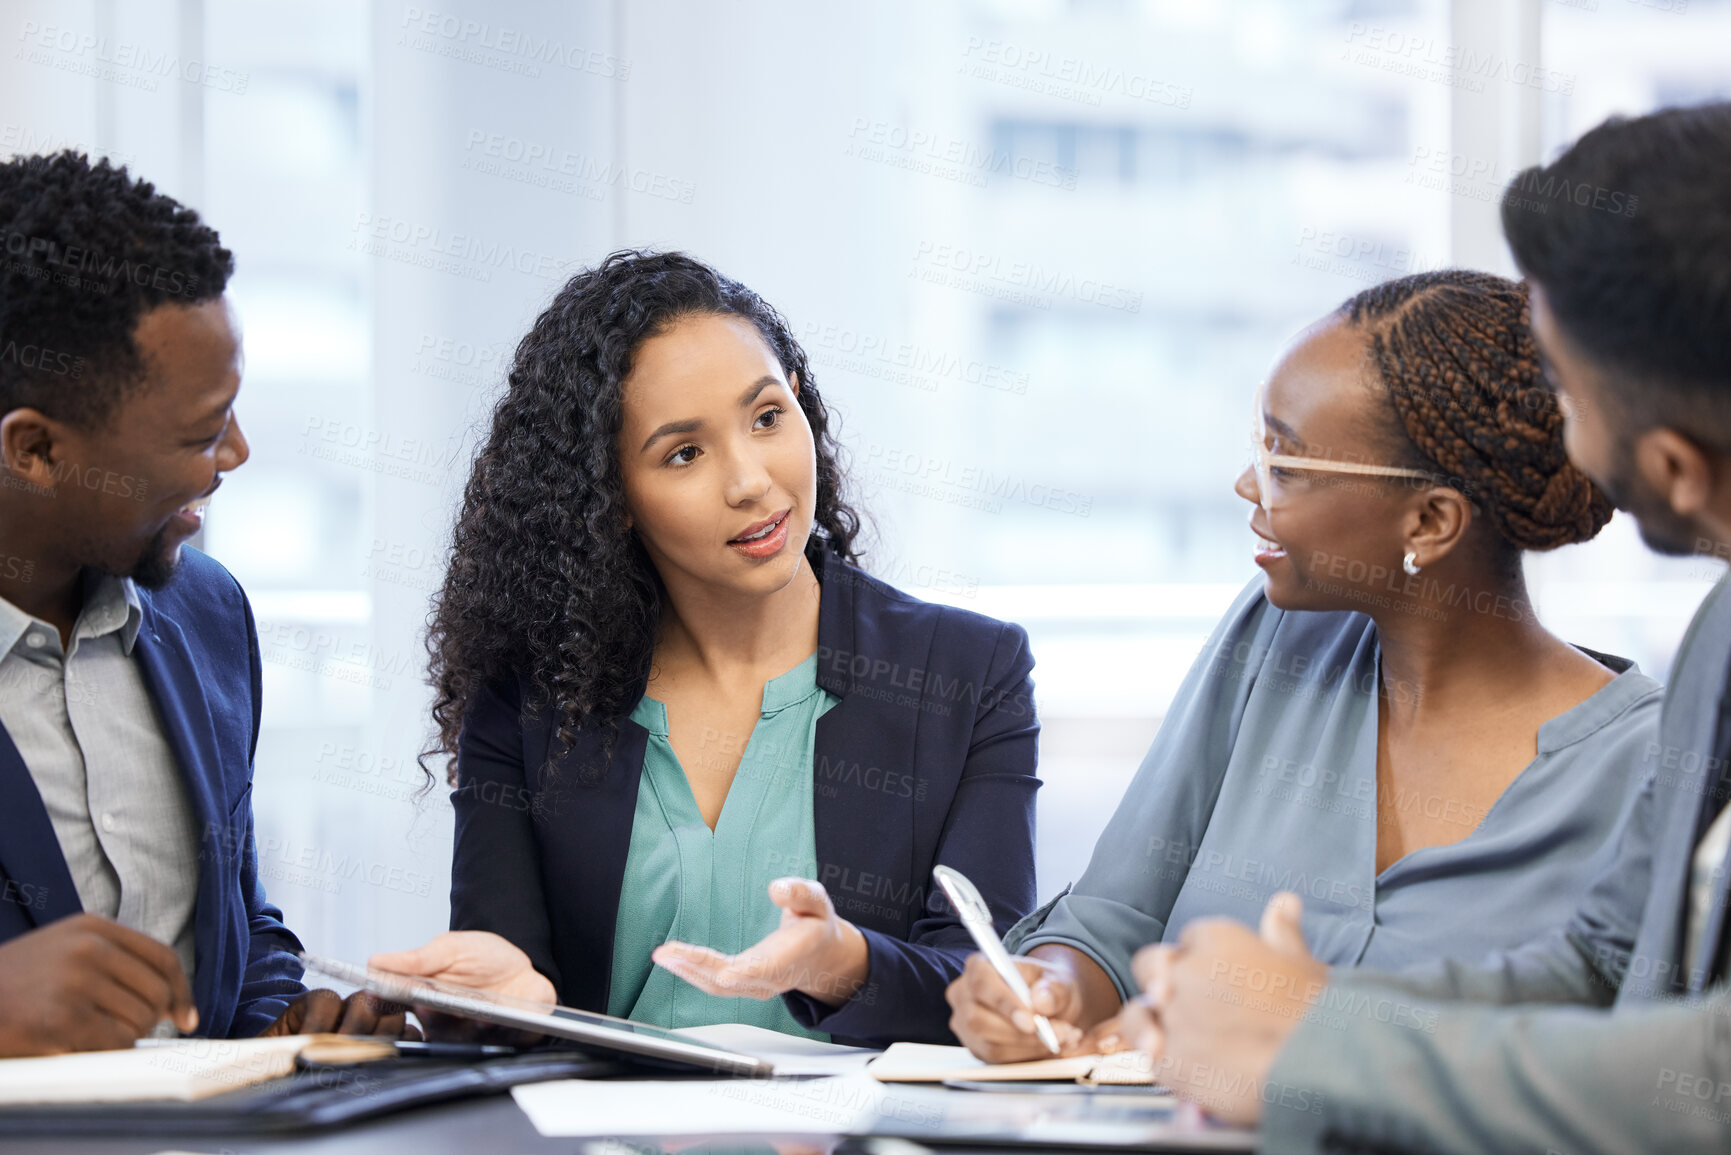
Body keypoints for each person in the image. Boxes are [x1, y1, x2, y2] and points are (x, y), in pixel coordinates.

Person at [1122, 102, 1731, 1153]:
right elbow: (1599, 960)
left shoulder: (1638, 719)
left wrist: (1313, 1053)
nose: (1565, 442)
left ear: (1675, 464)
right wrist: (1313, 1015)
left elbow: (1712, 1084)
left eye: (1570, 396)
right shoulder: (1723, 636)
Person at [947, 269, 1662, 1062]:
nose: (1247, 484)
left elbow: (1619, 1076)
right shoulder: (1271, 644)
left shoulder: (1649, 770)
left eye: (1285, 463)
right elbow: (1112, 921)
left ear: (1428, 520)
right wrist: (1047, 989)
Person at [374, 250, 1039, 1047]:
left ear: (800, 402)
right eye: (683, 453)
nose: (750, 480)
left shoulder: (967, 673)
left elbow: (990, 991)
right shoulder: (530, 698)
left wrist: (842, 963)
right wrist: (503, 1011)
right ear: (612, 499)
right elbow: (507, 989)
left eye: (765, 417)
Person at [0, 151, 407, 1056]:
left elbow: (236, 925)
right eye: (201, 432)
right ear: (33, 450)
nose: (236, 454)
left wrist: (279, 1020)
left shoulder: (207, 616)